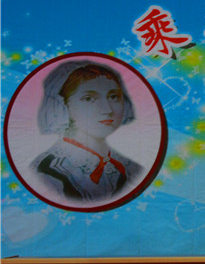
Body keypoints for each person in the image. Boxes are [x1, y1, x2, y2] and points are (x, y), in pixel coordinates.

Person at [32, 60, 143, 204]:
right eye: (89, 98)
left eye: (113, 97)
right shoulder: (46, 171)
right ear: (63, 106)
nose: (107, 110)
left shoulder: (132, 169)